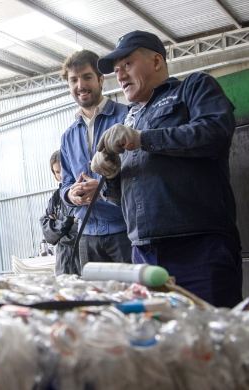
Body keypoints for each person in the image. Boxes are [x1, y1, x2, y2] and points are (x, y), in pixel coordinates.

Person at [92, 30, 242, 307]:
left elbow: (214, 132)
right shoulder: (130, 117)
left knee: (212, 336)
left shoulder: (193, 88)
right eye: (116, 70)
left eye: (127, 64)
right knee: (160, 339)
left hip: (199, 246)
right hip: (144, 253)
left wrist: (142, 139)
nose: (120, 75)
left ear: (157, 61)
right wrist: (111, 176)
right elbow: (122, 198)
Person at [60, 49, 131, 268]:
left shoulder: (127, 117)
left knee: (133, 297)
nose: (80, 85)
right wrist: (71, 195)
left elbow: (138, 171)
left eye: (87, 77)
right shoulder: (68, 136)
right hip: (87, 234)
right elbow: (64, 184)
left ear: (101, 79)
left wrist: (101, 188)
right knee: (94, 300)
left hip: (125, 231)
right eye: (73, 80)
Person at [40, 150, 79, 275]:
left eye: (63, 170)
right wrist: (68, 222)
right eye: (57, 172)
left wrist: (59, 227)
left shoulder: (82, 193)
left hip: (82, 258)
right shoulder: (56, 198)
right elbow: (48, 233)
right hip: (63, 261)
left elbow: (82, 231)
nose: (61, 176)